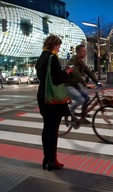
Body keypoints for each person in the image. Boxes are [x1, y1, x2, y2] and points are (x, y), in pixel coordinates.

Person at [35, 34, 70, 171]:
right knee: (53, 130)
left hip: (42, 96)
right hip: (52, 98)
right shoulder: (52, 59)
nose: (59, 49)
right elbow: (57, 80)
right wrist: (66, 72)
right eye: (58, 46)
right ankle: (52, 160)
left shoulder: (40, 58)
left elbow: (41, 77)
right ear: (53, 45)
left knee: (47, 127)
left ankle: (46, 158)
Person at [65, 44, 101, 124]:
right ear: (78, 52)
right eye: (83, 51)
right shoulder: (72, 61)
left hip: (75, 85)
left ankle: (83, 117)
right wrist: (85, 84)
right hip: (67, 85)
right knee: (80, 99)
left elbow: (88, 72)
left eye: (85, 51)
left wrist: (97, 82)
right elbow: (75, 73)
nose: (85, 53)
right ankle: (68, 112)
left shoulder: (81, 62)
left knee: (87, 99)